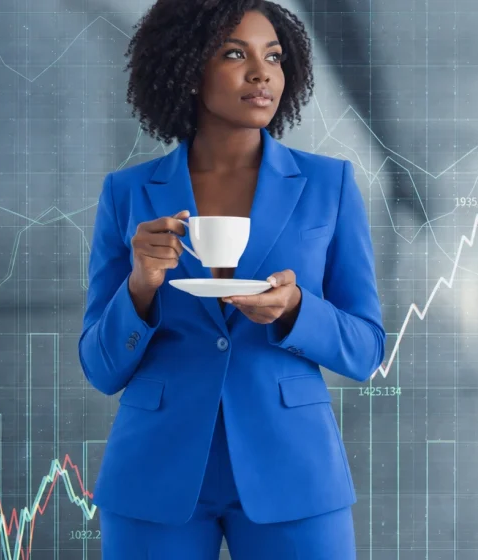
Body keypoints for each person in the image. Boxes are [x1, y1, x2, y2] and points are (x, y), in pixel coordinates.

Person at [77, 1, 386, 557]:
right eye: (234, 54)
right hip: (155, 473)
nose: (261, 72)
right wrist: (141, 287)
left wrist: (294, 310)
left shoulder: (328, 185)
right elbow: (101, 367)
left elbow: (366, 350)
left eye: (273, 56)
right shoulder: (128, 194)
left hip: (294, 468)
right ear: (188, 66)